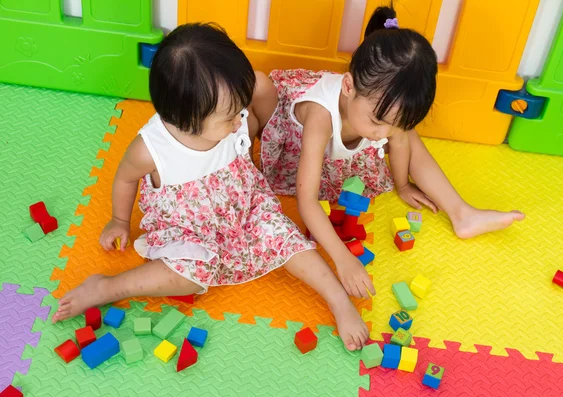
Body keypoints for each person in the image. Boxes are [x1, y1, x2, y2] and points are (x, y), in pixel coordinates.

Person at [52, 23, 369, 351]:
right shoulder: (151, 149)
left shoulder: (229, 114)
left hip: (243, 204)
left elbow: (247, 120)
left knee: (287, 239)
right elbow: (125, 178)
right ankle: (109, 288)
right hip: (189, 226)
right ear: (185, 120)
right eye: (230, 117)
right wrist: (120, 220)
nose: (239, 121)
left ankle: (338, 299)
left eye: (240, 110)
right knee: (186, 275)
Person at [259, 5, 525, 299]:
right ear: (348, 86)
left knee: (408, 136)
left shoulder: (380, 116)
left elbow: (398, 140)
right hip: (299, 145)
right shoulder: (321, 119)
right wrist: (343, 259)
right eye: (377, 122)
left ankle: (462, 213)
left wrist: (403, 184)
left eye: (393, 125)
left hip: (354, 120)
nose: (383, 135)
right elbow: (307, 201)